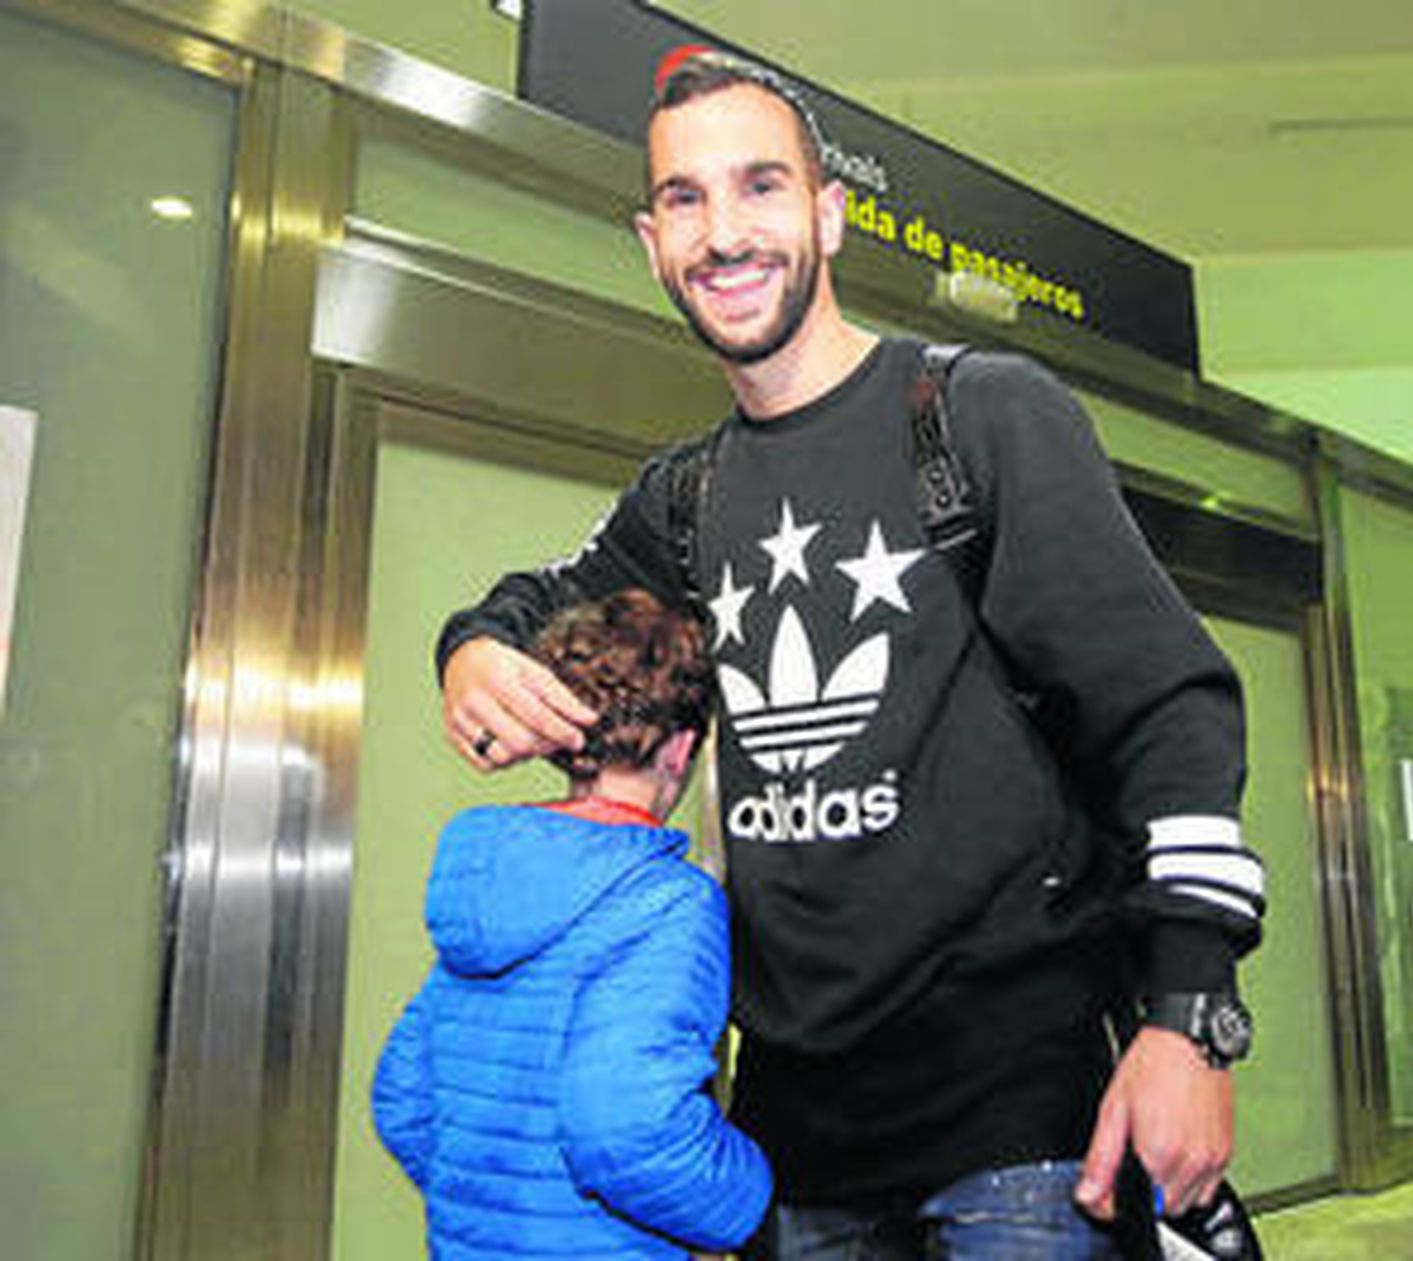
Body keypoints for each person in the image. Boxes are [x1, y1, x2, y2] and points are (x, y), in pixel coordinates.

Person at [435, 47, 1265, 1259]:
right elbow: (539, 606)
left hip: (1019, 1131)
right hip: (790, 1142)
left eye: (760, 187)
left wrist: (1189, 1018)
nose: (724, 232)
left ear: (826, 213)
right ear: (650, 241)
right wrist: (468, 650)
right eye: (685, 199)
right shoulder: (684, 495)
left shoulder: (981, 416)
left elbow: (1169, 711)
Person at [373, 588, 772, 1260]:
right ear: (680, 750)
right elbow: (629, 1129)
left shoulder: (487, 873)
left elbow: (404, 1098)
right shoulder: (668, 898)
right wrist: (753, 1195)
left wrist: (497, 1204)